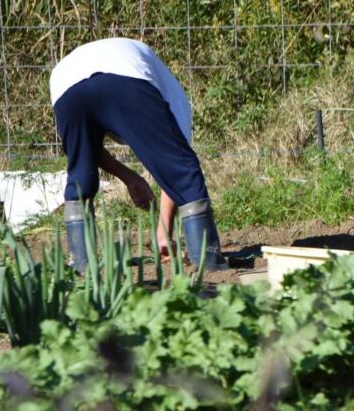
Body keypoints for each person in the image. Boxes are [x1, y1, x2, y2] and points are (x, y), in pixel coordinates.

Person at [49, 37, 227, 271]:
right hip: (124, 73)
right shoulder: (177, 100)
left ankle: (82, 267)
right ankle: (209, 261)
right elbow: (176, 166)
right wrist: (165, 230)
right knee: (185, 172)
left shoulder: (152, 77)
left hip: (64, 82)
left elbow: (91, 151)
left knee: (81, 176)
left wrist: (129, 178)